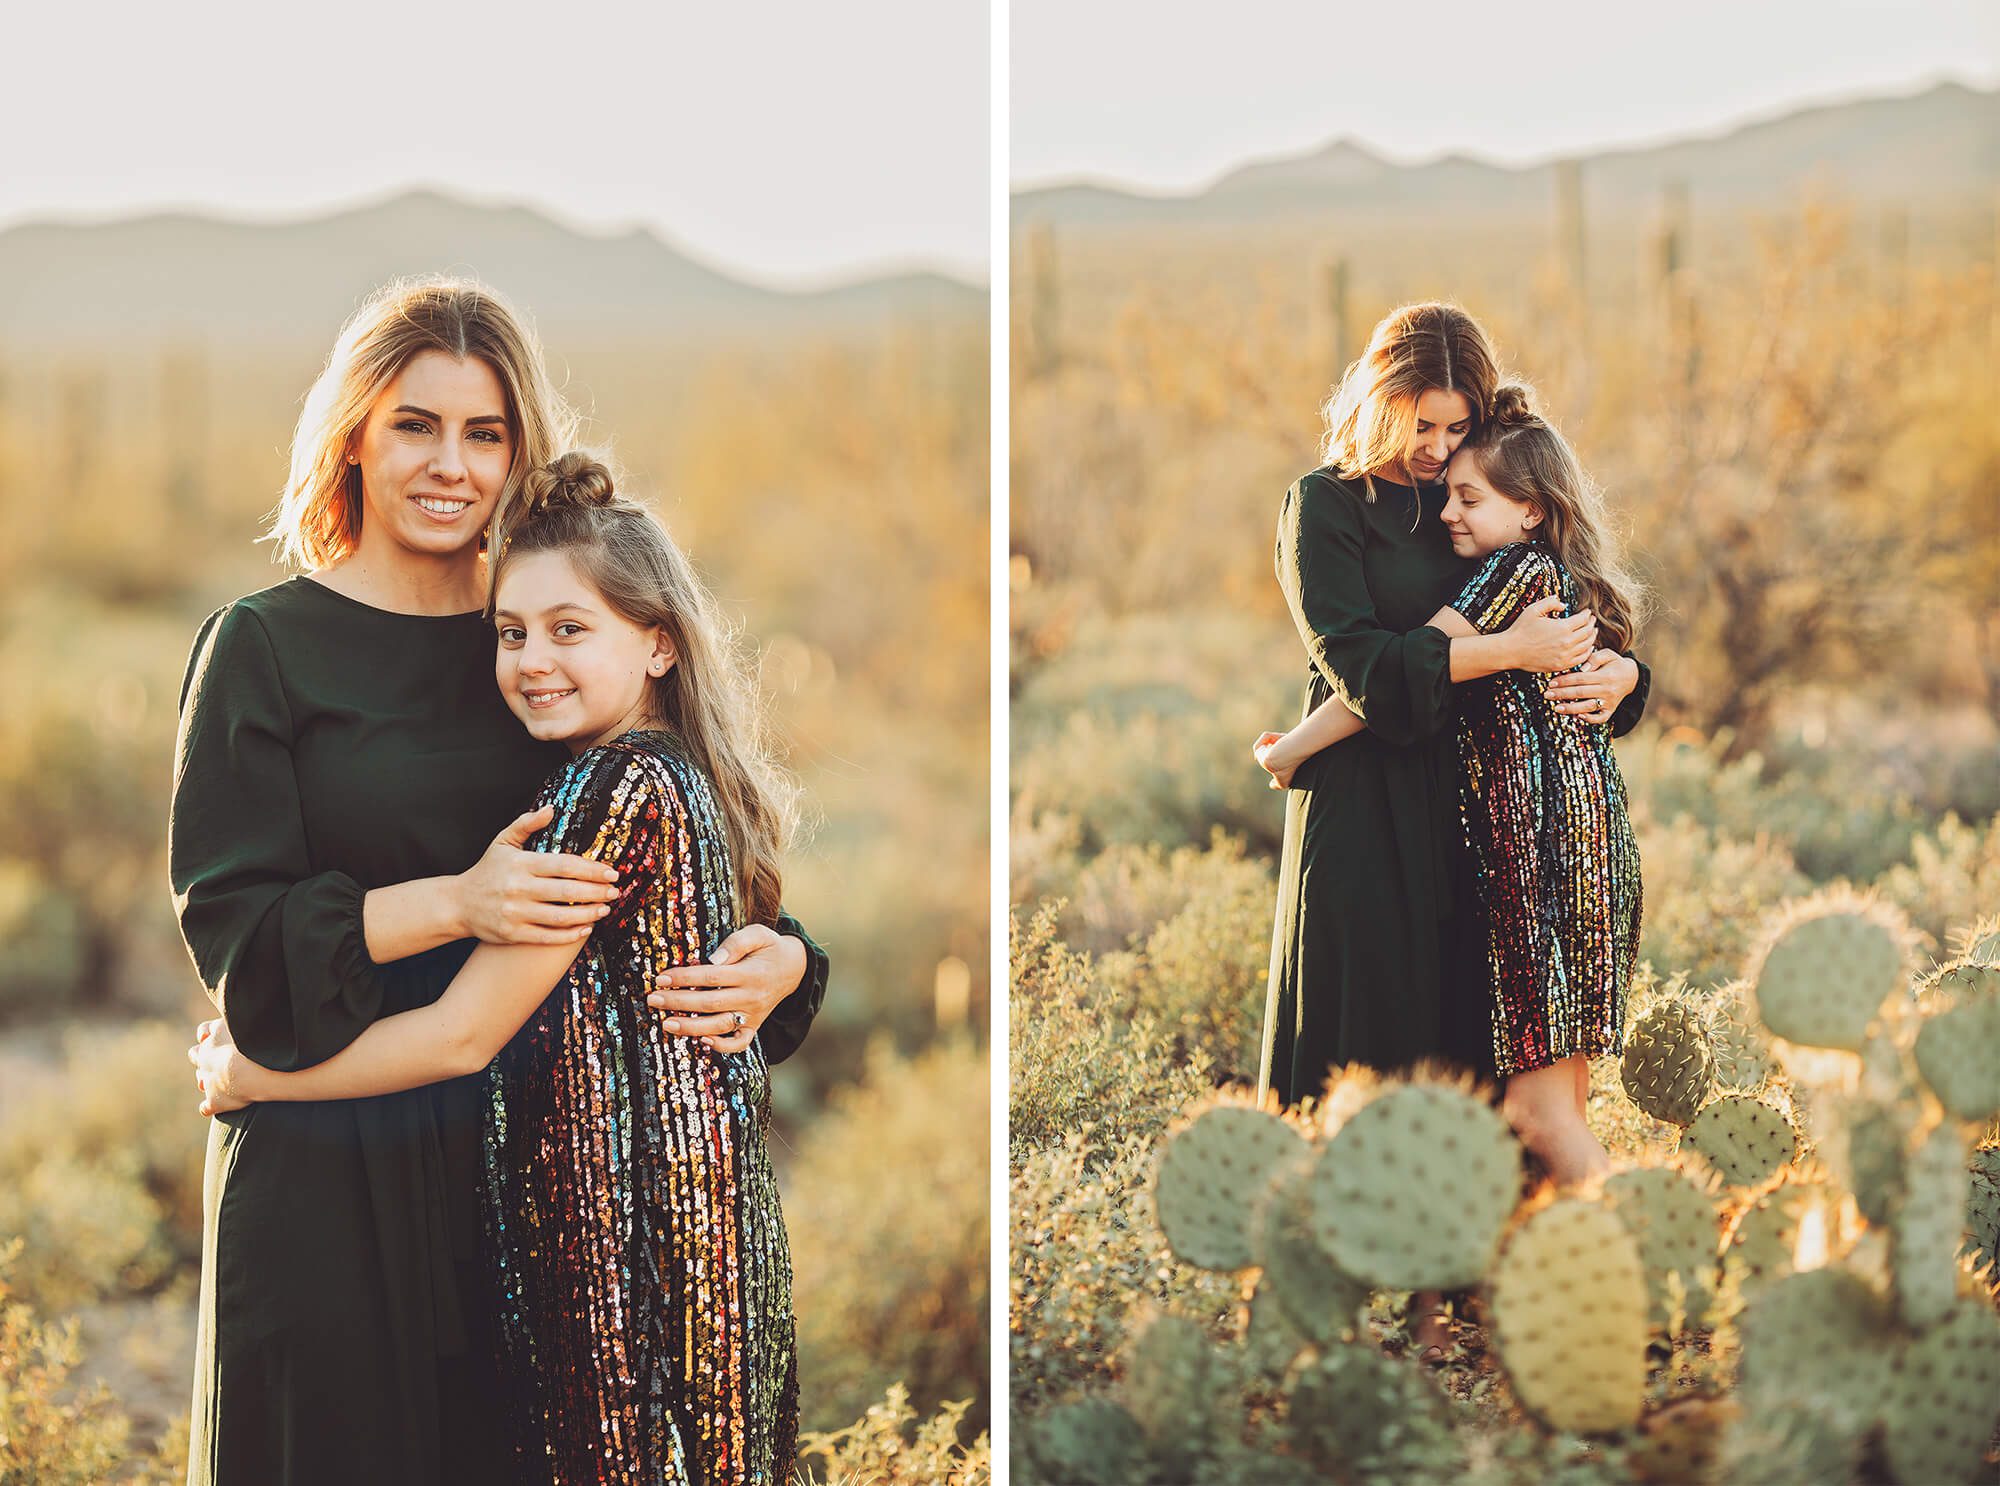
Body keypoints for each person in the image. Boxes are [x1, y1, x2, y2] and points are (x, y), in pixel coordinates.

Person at [169, 278, 826, 1486]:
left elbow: (657, 850)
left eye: (486, 432)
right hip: (329, 1183)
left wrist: (785, 959)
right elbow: (243, 950)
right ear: (352, 433)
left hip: (528, 1212)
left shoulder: (534, 635)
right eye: (414, 424)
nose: (450, 466)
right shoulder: (260, 650)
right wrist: (453, 903)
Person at [1248, 301, 1647, 1359]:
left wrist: (1621, 675)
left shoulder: (1472, 490)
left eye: (1449, 427)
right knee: (1359, 1050)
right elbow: (1370, 672)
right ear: (1375, 401)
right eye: (1417, 425)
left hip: (1484, 830)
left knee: (1468, 1066)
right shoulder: (1321, 508)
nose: (1433, 452)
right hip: (1364, 817)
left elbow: (1564, 591)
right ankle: (1328, 1326)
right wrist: (1503, 656)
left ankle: (1465, 1323)